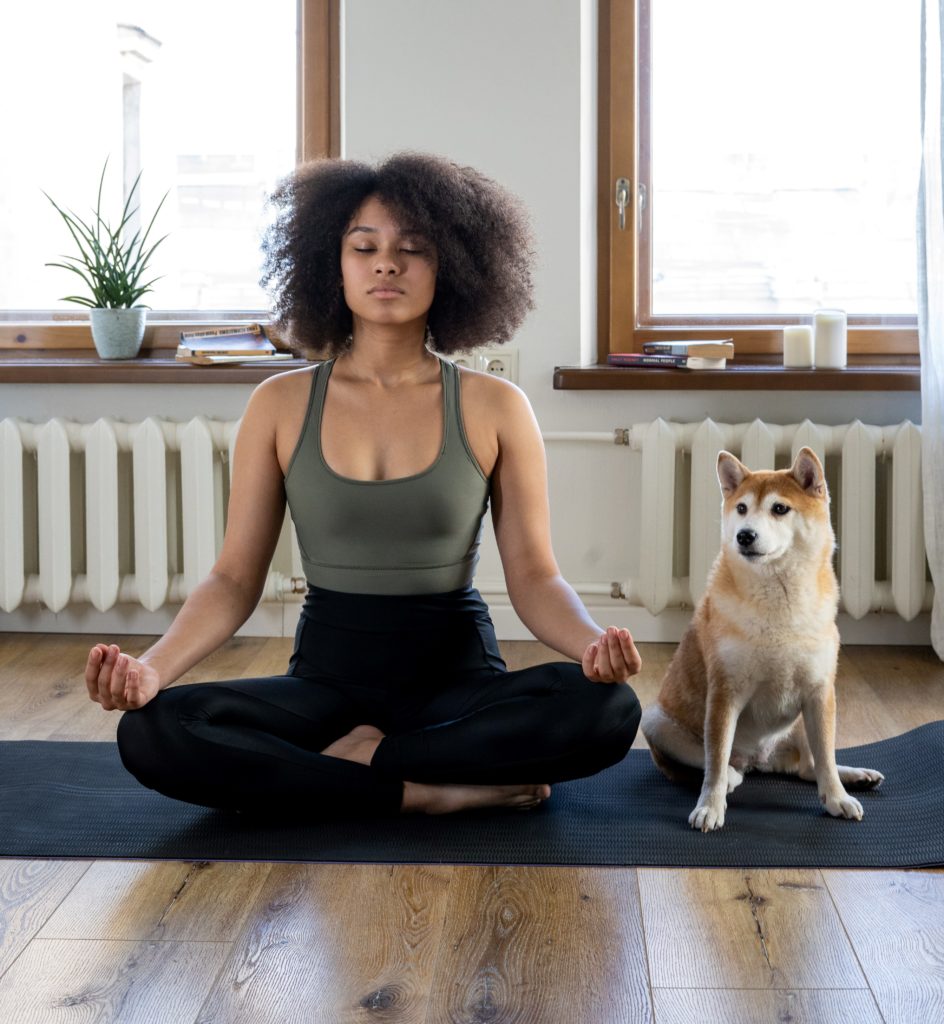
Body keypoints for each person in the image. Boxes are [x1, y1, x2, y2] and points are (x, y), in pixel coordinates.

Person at [85, 152, 643, 818]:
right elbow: (234, 580)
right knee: (153, 731)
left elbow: (534, 577)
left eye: (413, 249)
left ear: (455, 268)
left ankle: (357, 766)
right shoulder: (280, 403)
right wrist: (151, 670)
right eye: (364, 247)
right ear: (332, 264)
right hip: (326, 683)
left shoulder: (496, 406)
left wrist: (590, 647)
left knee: (608, 709)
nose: (387, 264)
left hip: (456, 680)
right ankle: (423, 790)